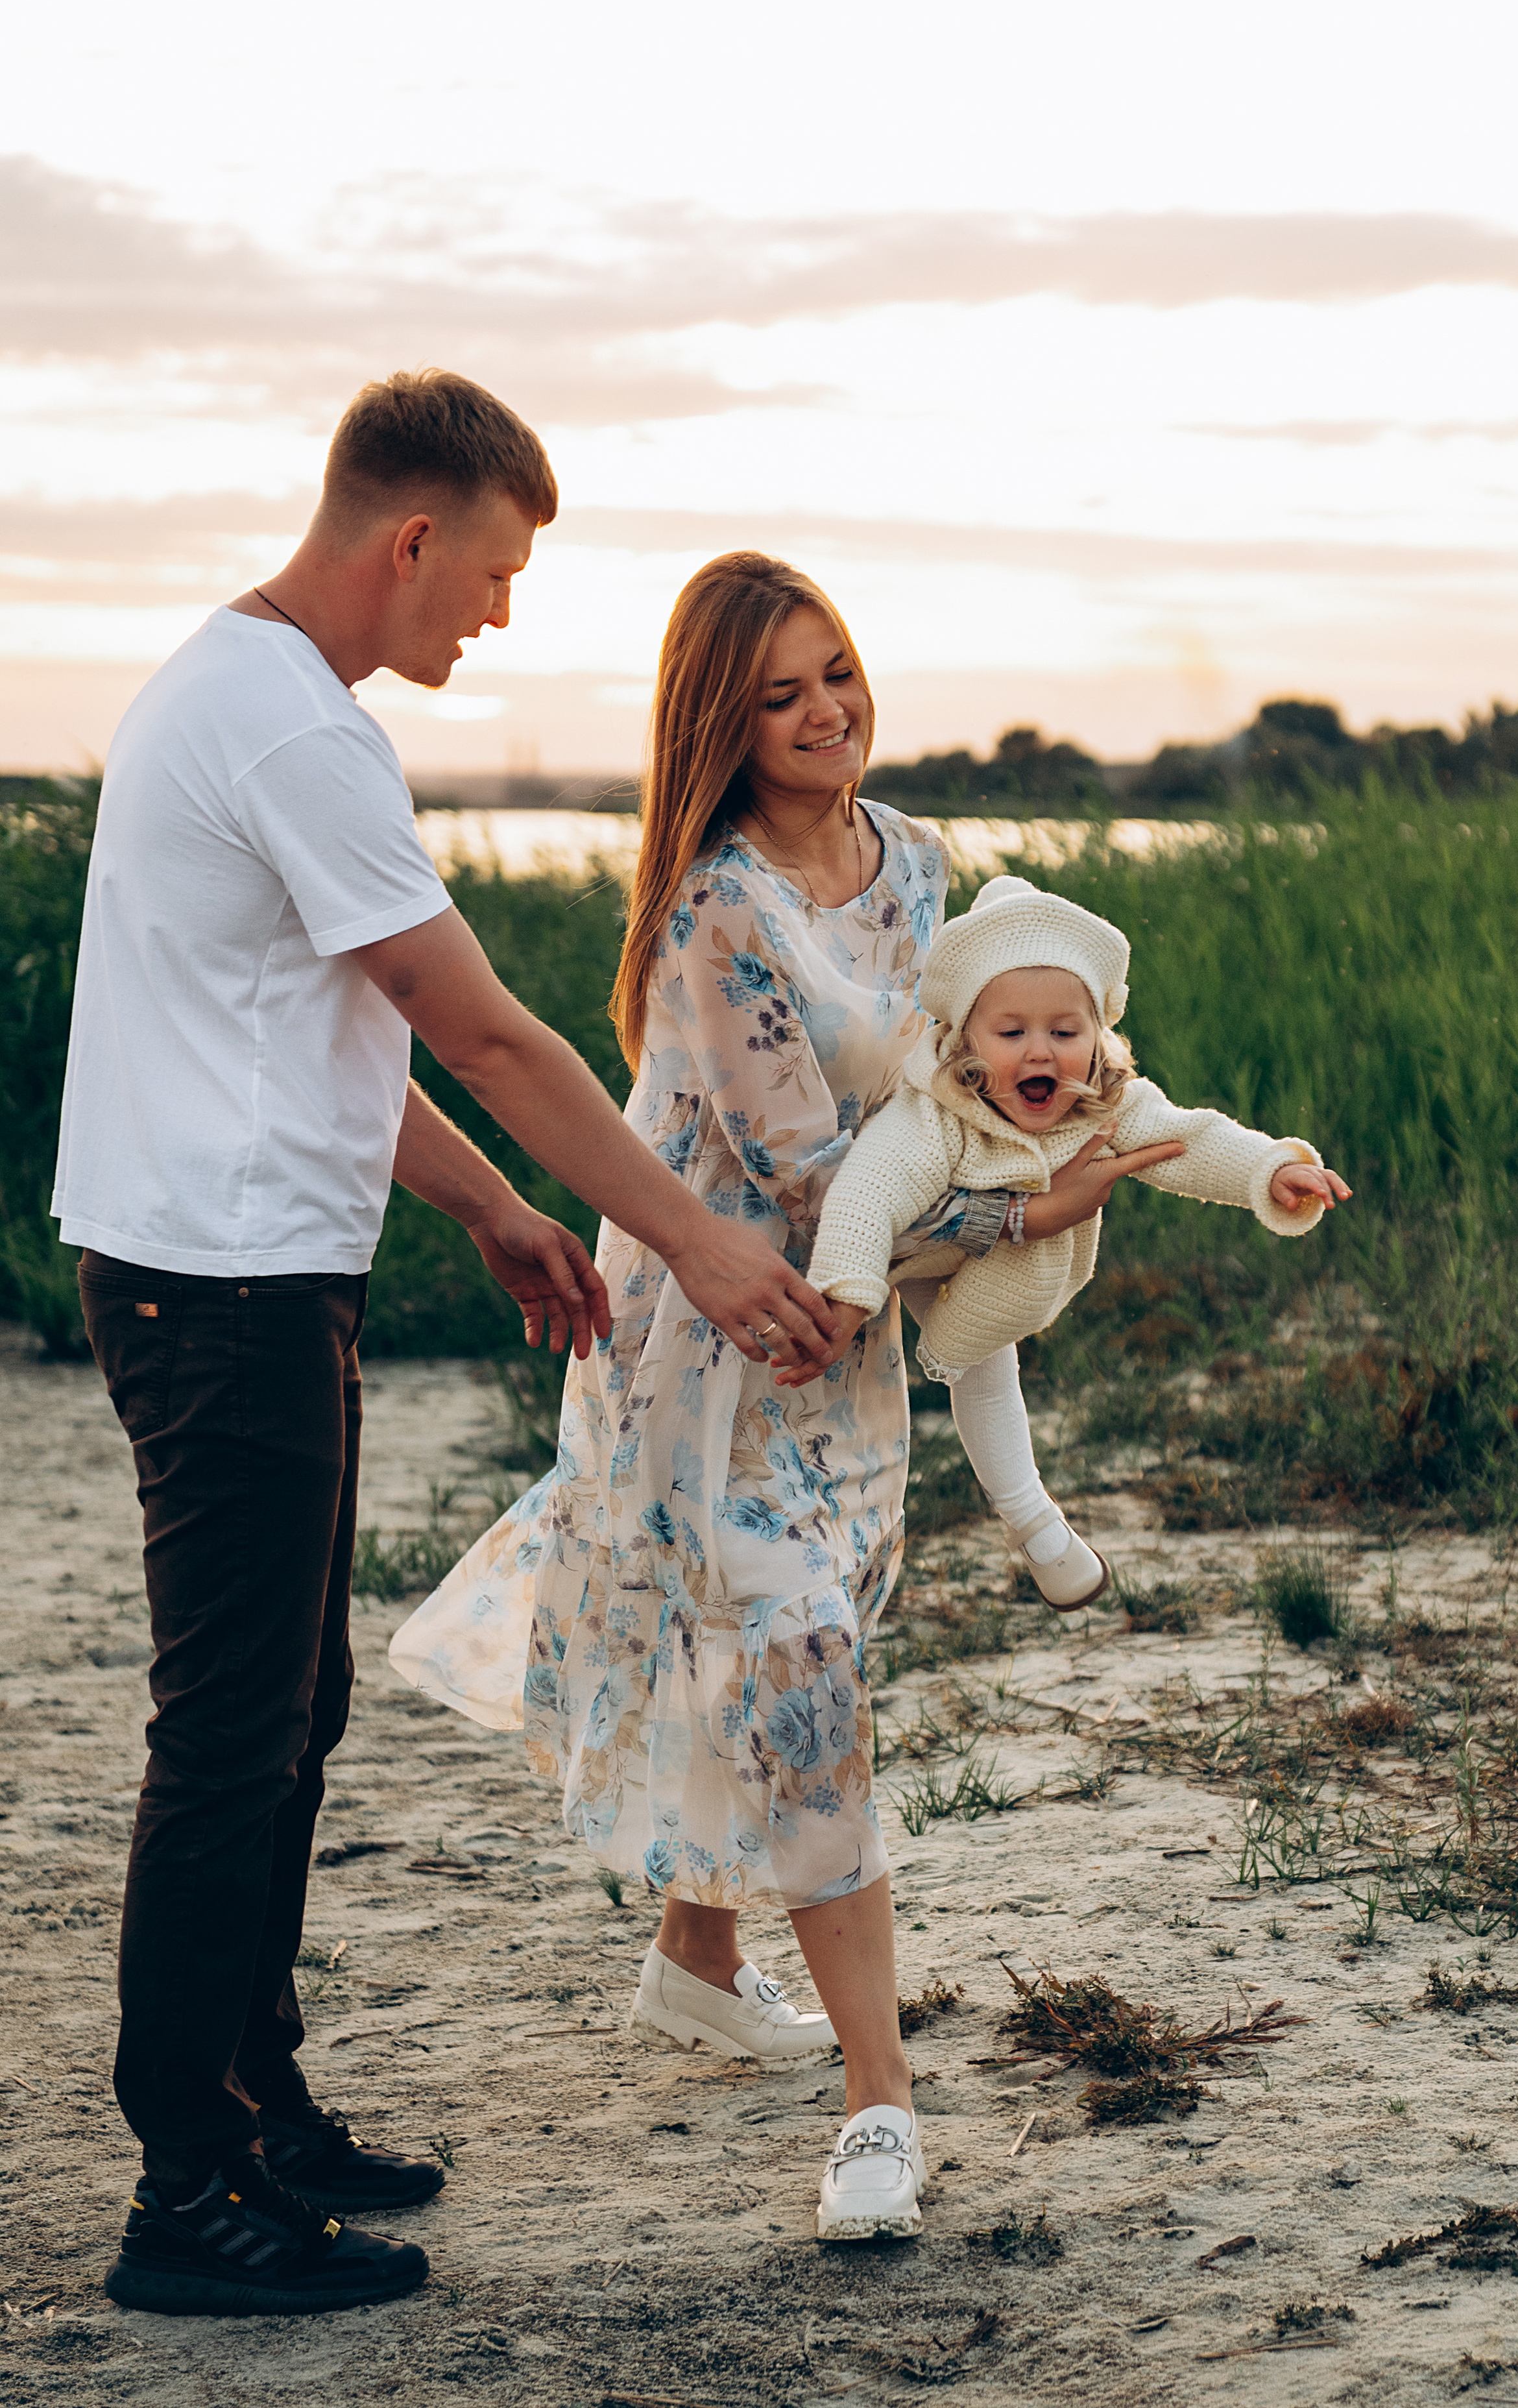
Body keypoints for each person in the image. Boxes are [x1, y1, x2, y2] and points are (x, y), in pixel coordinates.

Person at [53, 375, 837, 2320]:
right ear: (408, 538)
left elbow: (319, 1017)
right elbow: (477, 1020)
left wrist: (488, 1207)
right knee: (231, 1733)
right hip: (214, 1288)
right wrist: (702, 1243)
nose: (493, 615)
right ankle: (187, 2192)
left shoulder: (240, 699)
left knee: (286, 1708)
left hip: (237, 1270)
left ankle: (258, 2104)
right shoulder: (291, 729)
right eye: (488, 573)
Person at [389, 552, 1133, 2243]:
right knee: (797, 1661)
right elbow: (811, 1175)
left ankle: (699, 1960)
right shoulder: (721, 909)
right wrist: (1032, 1211)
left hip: (844, 1338)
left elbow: (947, 1091)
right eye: (782, 690)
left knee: (782, 1641)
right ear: (723, 719)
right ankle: (885, 2100)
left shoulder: (924, 864)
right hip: (711, 1341)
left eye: (840, 672)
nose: (825, 712)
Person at [795, 873, 1350, 1603]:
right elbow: (870, 1190)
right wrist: (846, 1289)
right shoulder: (935, 1111)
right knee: (973, 1362)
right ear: (964, 1038)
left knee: (989, 1356)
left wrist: (1271, 1168)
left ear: (1098, 1040)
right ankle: (1028, 1516)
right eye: (1011, 1032)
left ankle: (1035, 1531)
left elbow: (1191, 1139)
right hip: (915, 1248)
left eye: (1064, 1032)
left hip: (999, 1267)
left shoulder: (1104, 1106)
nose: (1040, 1054)